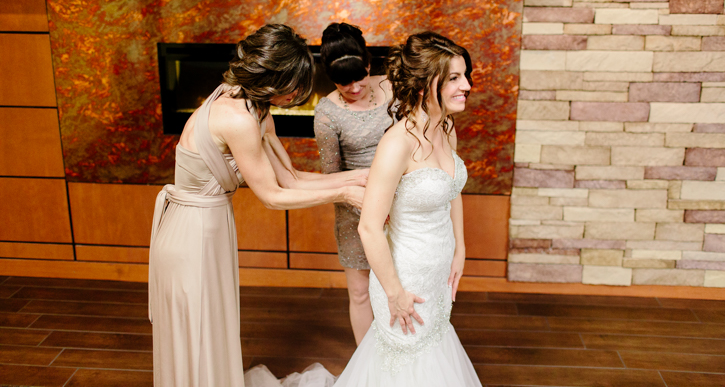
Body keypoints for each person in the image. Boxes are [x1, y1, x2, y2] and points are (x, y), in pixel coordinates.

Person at [148, 24, 365, 387]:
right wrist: (343, 194)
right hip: (191, 235)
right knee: (198, 330)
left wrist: (357, 177)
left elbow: (290, 178)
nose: (299, 93)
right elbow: (272, 196)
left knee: (213, 327)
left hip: (211, 226)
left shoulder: (253, 107)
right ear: (274, 77)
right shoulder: (238, 118)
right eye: (295, 84)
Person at [332, 31, 482, 386]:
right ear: (424, 84)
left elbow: (450, 191)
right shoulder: (396, 144)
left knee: (433, 351)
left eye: (466, 75)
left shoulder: (446, 127)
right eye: (455, 78)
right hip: (405, 276)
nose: (468, 86)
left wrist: (460, 248)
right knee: (406, 362)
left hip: (438, 267)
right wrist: (395, 293)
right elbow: (369, 227)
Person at [313, 23, 393, 345]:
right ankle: (368, 365)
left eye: (359, 78)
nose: (354, 88)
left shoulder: (391, 87)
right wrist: (369, 205)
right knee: (360, 291)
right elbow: (333, 177)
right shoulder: (327, 114)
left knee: (398, 283)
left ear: (368, 64)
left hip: (404, 201)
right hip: (356, 211)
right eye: (343, 82)